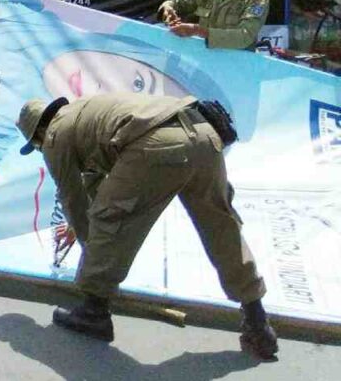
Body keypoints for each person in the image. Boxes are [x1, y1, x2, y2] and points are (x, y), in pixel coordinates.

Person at [16, 93, 278, 360]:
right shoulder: (85, 112)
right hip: (203, 133)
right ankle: (257, 320)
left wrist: (91, 251)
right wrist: (86, 232)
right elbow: (96, 187)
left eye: (35, 145)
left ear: (38, 132)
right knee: (221, 225)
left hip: (157, 144)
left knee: (110, 221)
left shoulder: (54, 136)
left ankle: (94, 310)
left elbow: (74, 199)